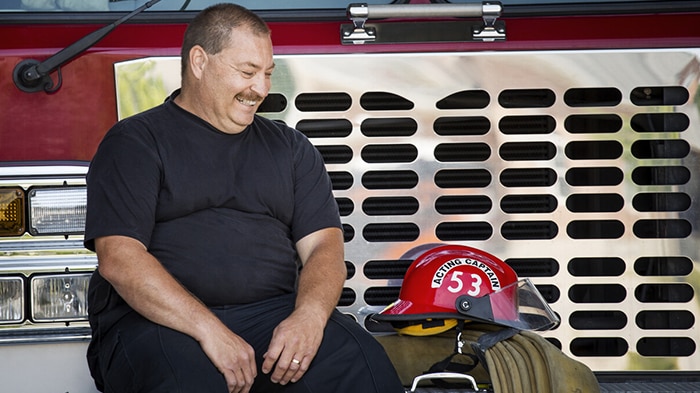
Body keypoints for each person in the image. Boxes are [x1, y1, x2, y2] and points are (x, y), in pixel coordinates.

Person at [83, 3, 404, 393]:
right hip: (158, 323)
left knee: (363, 365)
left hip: (273, 313)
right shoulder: (135, 142)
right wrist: (210, 331)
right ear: (199, 62)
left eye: (267, 73)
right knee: (191, 382)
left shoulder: (291, 148)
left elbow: (324, 246)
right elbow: (119, 258)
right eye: (247, 72)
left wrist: (309, 317)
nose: (262, 89)